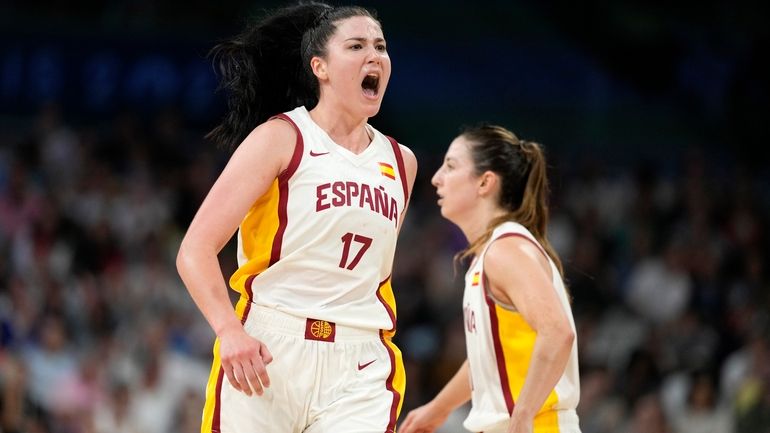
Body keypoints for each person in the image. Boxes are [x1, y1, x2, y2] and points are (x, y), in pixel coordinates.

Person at [175, 2, 417, 432]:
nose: (374, 56)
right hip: (270, 349)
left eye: (380, 46)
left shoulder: (401, 162)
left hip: (359, 361)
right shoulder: (280, 138)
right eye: (357, 45)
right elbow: (195, 249)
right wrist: (228, 330)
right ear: (320, 67)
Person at [400, 125, 579, 433]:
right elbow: (490, 359)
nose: (436, 178)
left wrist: (522, 415)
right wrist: (437, 408)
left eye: (451, 166)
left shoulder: (505, 249)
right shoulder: (493, 251)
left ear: (485, 182)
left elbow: (558, 331)